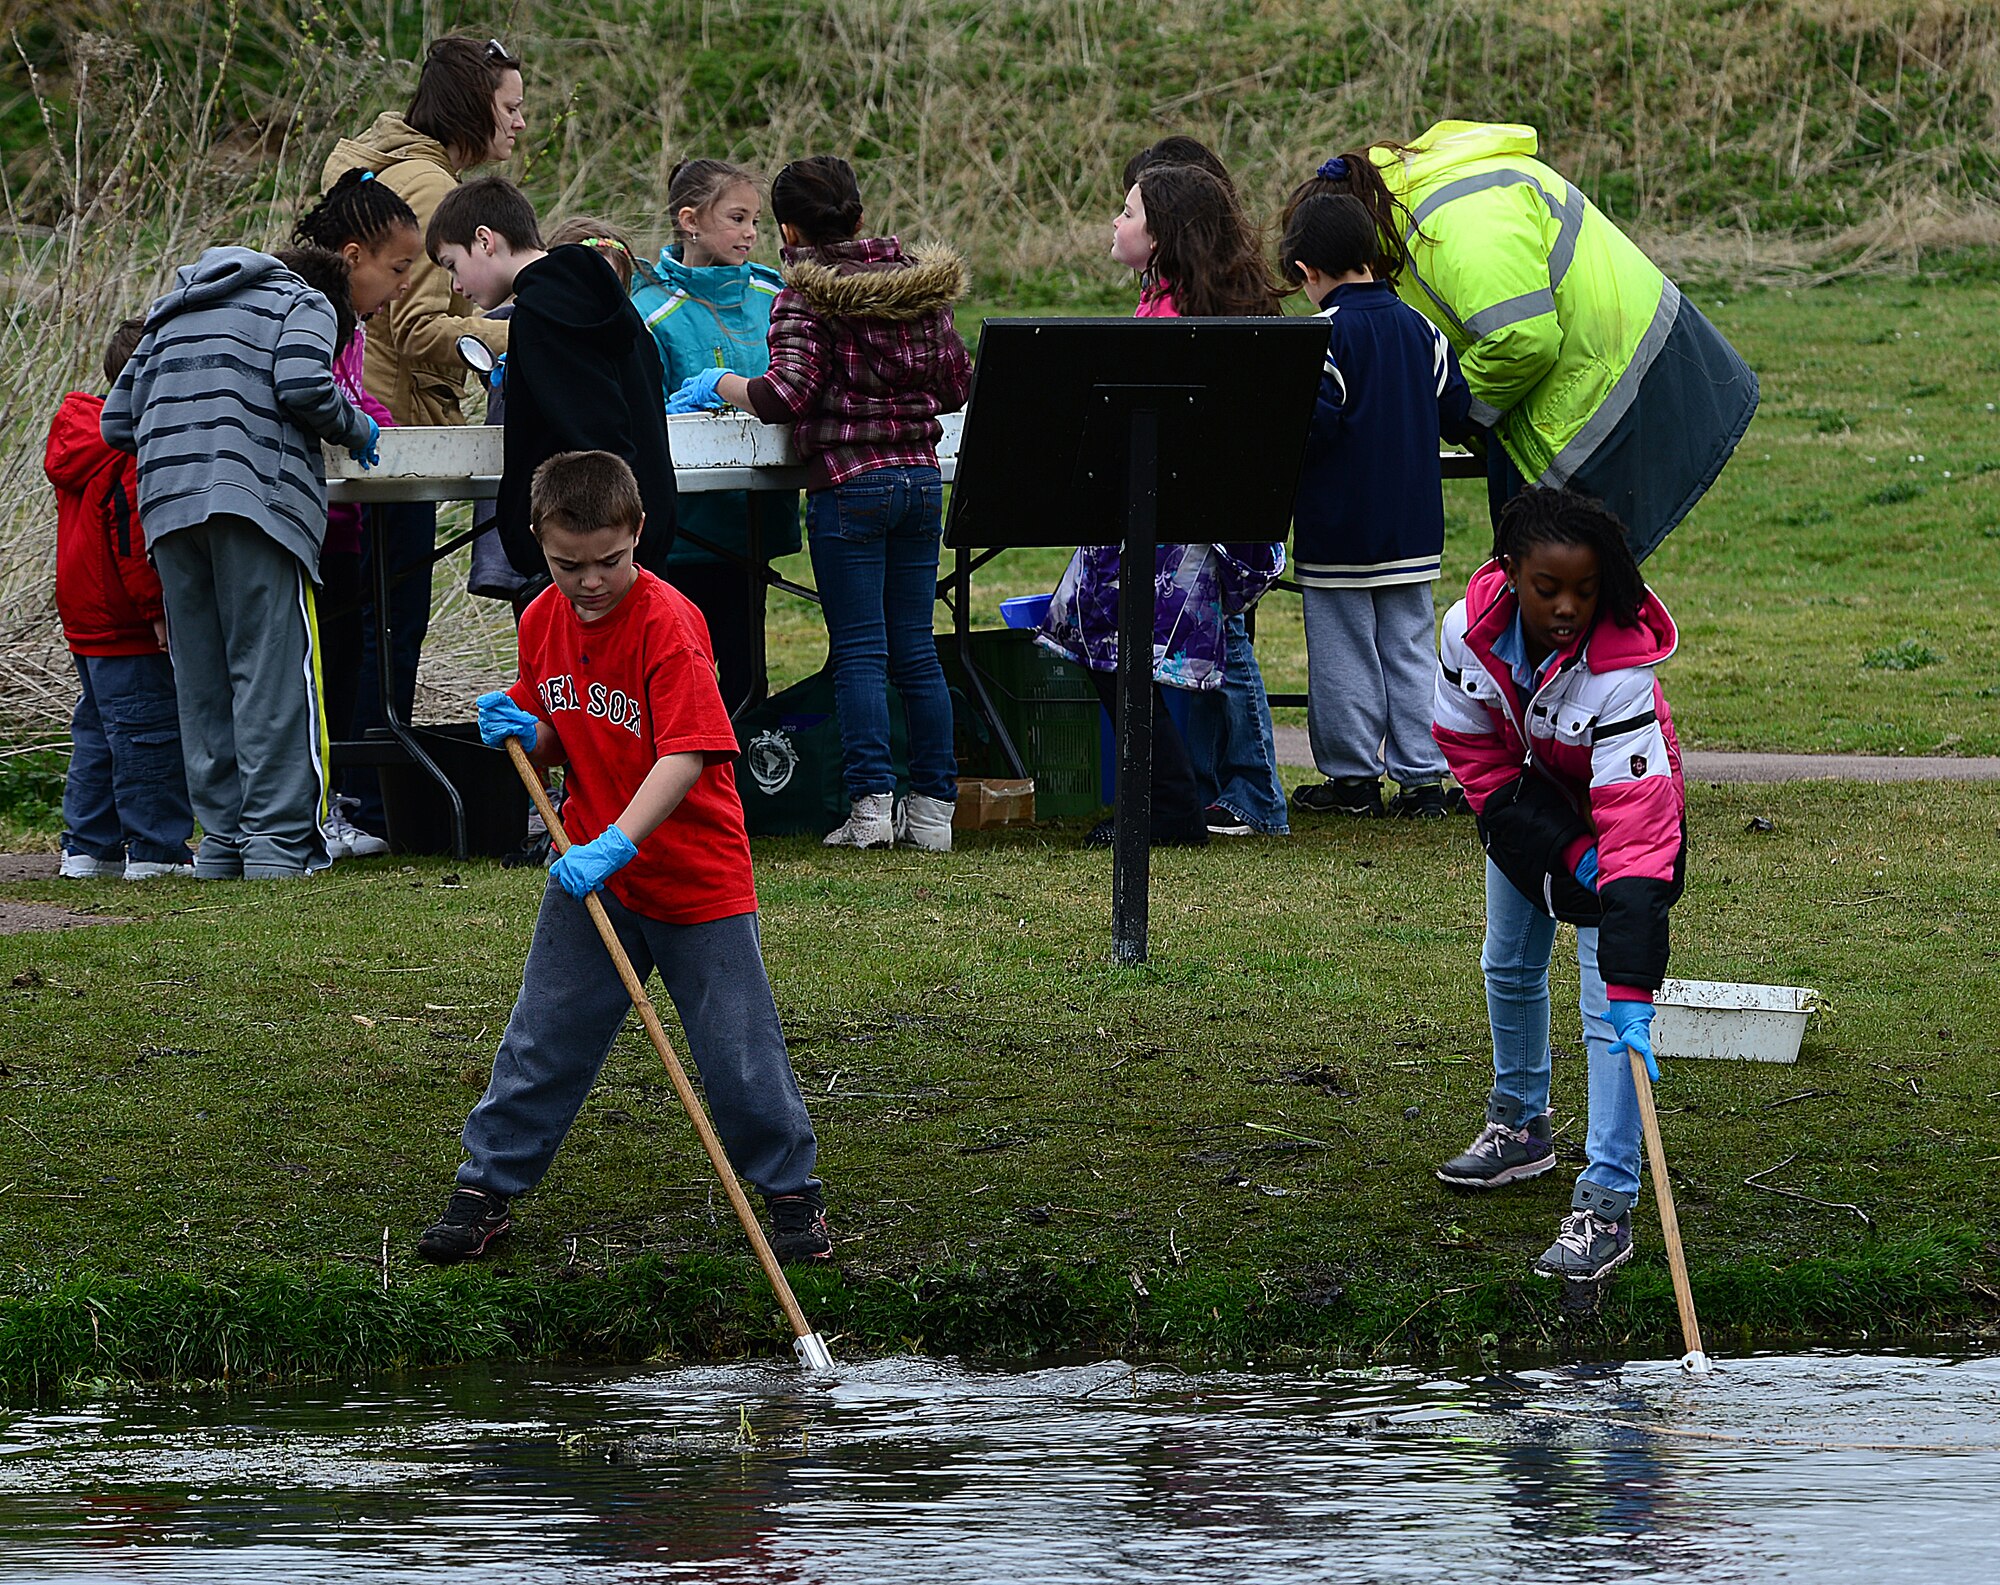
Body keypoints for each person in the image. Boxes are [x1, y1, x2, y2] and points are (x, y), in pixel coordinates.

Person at [418, 449, 828, 1268]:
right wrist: (521, 731)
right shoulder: (541, 618)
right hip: (591, 876)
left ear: (638, 532)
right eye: (570, 564)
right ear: (538, 540)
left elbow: (686, 755)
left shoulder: (670, 625)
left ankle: (791, 1195)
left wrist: (616, 842)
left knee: (736, 1049)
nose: (591, 581)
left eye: (610, 560)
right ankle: (485, 1186)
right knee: (544, 1035)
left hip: (690, 874)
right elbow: (554, 729)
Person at [673, 156, 971, 853]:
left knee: (862, 652)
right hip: (921, 483)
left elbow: (786, 395)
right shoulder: (919, 289)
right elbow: (958, 382)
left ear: (788, 231)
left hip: (849, 486)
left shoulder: (807, 296)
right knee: (917, 650)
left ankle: (870, 808)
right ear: (861, 217)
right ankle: (933, 812)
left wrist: (721, 381)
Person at [1287, 124, 1758, 560]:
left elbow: (1522, 338)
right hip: (1599, 381)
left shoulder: (1453, 219)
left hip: (1620, 387)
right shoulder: (1418, 217)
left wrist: (1439, 408)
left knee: (1560, 594)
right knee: (1555, 594)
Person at [1430, 487, 1687, 1284]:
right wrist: (1559, 849)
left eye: (1584, 588)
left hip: (1625, 825)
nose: (1568, 607)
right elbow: (1475, 758)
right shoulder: (1465, 637)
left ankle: (1607, 1203)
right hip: (1525, 809)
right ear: (1510, 572)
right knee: (1506, 963)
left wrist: (1636, 983)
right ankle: (1521, 1126)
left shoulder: (1621, 678)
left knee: (1610, 1014)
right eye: (1549, 590)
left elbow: (1640, 839)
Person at [100, 244, 379, 879]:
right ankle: (279, 849)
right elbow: (306, 384)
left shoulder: (168, 315)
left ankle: (223, 846)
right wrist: (355, 428)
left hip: (167, 510)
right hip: (257, 504)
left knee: (203, 683)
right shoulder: (300, 302)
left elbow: (117, 421)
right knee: (271, 675)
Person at [1037, 160, 1288, 848]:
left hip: (1167, 520)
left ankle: (1169, 803)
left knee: (1109, 641)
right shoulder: (1190, 304)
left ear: (1163, 235)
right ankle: (1167, 797)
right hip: (1171, 516)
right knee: (1103, 642)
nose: (1116, 223)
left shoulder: (1177, 318)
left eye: (1128, 212)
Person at [321, 34, 527, 841]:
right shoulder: (433, 185)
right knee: (388, 619)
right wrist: (523, 329)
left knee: (353, 617)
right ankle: (372, 805)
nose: (518, 124)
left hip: (362, 427)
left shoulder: (382, 164)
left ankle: (345, 796)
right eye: (509, 107)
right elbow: (415, 326)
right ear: (474, 105)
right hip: (395, 438)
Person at [1281, 193, 1474, 820]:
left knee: (1342, 653)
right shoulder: (1423, 330)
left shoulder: (1323, 337)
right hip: (1412, 527)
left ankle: (1353, 778)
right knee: (1412, 649)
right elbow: (1456, 407)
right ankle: (1424, 780)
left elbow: (1315, 424)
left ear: (1307, 271)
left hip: (1337, 530)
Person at [427, 176, 680, 582]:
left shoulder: (543, 316)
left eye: (453, 265)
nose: (456, 285)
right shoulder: (599, 300)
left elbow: (597, 439)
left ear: (484, 240)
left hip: (592, 562)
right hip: (627, 546)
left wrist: (581, 552)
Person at [631, 160, 800, 713]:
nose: (751, 233)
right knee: (682, 667)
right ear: (690, 221)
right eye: (736, 218)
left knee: (747, 666)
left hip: (755, 517)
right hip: (685, 529)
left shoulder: (775, 294)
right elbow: (642, 411)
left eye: (756, 219)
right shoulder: (649, 310)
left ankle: (749, 784)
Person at [291, 168, 421, 860]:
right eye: (397, 267)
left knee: (344, 669)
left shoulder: (357, 323)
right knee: (312, 673)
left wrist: (389, 427)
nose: (402, 283)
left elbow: (356, 401)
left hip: (348, 529)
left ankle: (340, 804)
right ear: (352, 258)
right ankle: (312, 809)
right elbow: (316, 397)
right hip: (311, 522)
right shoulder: (314, 313)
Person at [44, 317, 194, 881]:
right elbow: (134, 539)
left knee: (98, 734)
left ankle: (90, 846)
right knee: (148, 733)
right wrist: (157, 611)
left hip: (88, 619)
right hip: (128, 621)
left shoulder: (80, 435)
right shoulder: (131, 449)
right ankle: (157, 849)